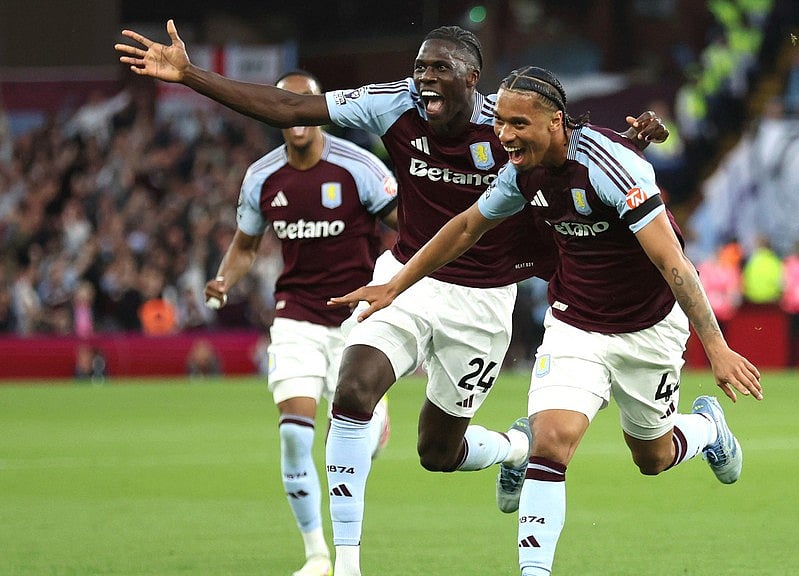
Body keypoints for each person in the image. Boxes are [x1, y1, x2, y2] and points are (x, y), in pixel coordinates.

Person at [117, 23, 667, 576]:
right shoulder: (391, 103)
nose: (424, 78)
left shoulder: (502, 123)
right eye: (420, 67)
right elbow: (288, 107)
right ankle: (347, 563)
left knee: (437, 452)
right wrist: (189, 76)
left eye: (440, 69)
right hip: (406, 276)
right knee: (353, 388)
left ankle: (513, 451)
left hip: (483, 300)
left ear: (473, 80)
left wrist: (628, 144)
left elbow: (566, 145)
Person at [330, 66, 763, 576]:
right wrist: (396, 283)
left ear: (555, 122)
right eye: (501, 124)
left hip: (649, 326)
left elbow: (674, 265)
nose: (504, 136)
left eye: (518, 124)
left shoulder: (613, 168)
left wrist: (716, 348)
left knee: (654, 458)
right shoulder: (520, 172)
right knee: (550, 443)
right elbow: (468, 225)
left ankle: (707, 428)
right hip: (575, 323)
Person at [203, 70, 397, 576]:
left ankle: (372, 429)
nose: (295, 114)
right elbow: (245, 247)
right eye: (284, 104)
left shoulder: (359, 166)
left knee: (349, 435)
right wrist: (224, 280)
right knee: (294, 434)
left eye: (304, 103)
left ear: (318, 109)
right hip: (296, 315)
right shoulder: (262, 177)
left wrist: (401, 281)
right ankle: (316, 556)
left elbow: (406, 226)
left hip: (357, 317)